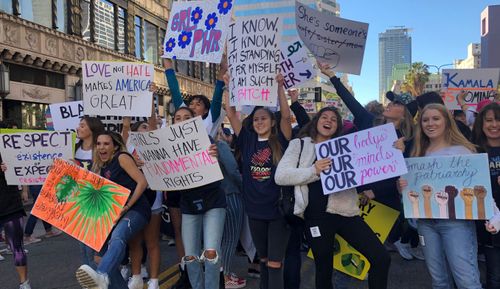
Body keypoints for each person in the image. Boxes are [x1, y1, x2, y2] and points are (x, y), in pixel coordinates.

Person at [275, 106, 391, 289]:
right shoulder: (300, 144)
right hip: (316, 218)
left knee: (381, 258)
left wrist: (394, 151)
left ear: (338, 127)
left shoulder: (347, 147)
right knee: (324, 269)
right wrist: (314, 170)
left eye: (333, 119)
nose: (328, 121)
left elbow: (374, 163)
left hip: (346, 213)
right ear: (316, 121)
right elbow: (281, 176)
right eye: (324, 117)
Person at [317, 61, 415, 257]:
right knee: (347, 254)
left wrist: (402, 155)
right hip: (354, 197)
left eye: (396, 103)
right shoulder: (368, 121)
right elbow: (349, 100)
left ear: (405, 116)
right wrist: (332, 76)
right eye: (391, 101)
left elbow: (404, 180)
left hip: (383, 203)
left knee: (374, 254)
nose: (390, 104)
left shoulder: (410, 142)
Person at [398, 103, 481, 289]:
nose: (430, 123)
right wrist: (402, 185)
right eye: (425, 120)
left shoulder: (462, 151)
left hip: (456, 223)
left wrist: (494, 214)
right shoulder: (417, 153)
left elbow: (478, 186)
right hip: (425, 224)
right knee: (439, 281)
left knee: (467, 281)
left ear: (446, 121)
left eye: (436, 118)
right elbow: (407, 191)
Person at [225, 74, 292, 289]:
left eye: (263, 118)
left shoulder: (280, 140)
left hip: (277, 211)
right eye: (255, 119)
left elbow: (286, 116)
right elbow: (231, 112)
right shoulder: (247, 140)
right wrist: (229, 85)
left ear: (272, 122)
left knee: (274, 263)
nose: (259, 122)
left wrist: (280, 87)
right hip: (254, 211)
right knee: (262, 260)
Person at [76, 131, 151, 289]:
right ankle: (107, 282)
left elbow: (142, 182)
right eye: (98, 144)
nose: (101, 147)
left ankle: (101, 275)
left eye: (106, 144)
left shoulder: (122, 158)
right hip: (113, 214)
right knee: (95, 253)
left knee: (118, 236)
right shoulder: (101, 167)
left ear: (115, 147)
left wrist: (127, 206)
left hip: (136, 210)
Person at [169, 106, 225, 289]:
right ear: (174, 122)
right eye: (178, 117)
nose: (182, 120)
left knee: (211, 253)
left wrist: (215, 157)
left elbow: (218, 170)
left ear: (194, 121)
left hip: (213, 202)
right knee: (190, 256)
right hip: (188, 205)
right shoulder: (168, 147)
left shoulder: (206, 140)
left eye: (187, 117)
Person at [122, 117, 163, 289]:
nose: (147, 129)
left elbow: (153, 123)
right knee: (134, 242)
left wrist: (151, 97)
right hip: (135, 198)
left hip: (154, 196)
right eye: (142, 126)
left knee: (152, 241)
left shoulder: (156, 143)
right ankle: (136, 276)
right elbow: (125, 128)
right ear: (135, 131)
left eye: (149, 127)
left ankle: (154, 281)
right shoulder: (129, 147)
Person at [472, 102, 500, 289]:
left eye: (498, 120)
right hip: (488, 222)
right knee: (495, 277)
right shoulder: (473, 151)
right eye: (489, 120)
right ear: (481, 124)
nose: (494, 124)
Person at [163, 57, 227, 137]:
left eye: (198, 105)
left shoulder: (209, 122)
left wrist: (223, 69)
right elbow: (174, 90)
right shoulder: (184, 113)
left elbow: (217, 96)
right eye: (191, 104)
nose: (193, 107)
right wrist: (166, 60)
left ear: (206, 111)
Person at [74, 116, 105, 269]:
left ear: (92, 129)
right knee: (82, 243)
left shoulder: (99, 149)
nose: (78, 128)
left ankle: (100, 276)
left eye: (82, 125)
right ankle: (89, 275)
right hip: (78, 201)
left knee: (95, 244)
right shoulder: (73, 148)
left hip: (96, 201)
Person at [216, 134, 246, 288]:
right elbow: (233, 170)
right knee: (230, 238)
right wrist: (244, 188)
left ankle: (221, 273)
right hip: (230, 195)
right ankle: (226, 275)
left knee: (219, 240)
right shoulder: (219, 145)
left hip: (214, 199)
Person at [1, 155, 31, 289]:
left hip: (11, 204)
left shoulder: (5, 141)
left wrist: (24, 189)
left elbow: (21, 160)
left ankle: (24, 283)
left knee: (17, 246)